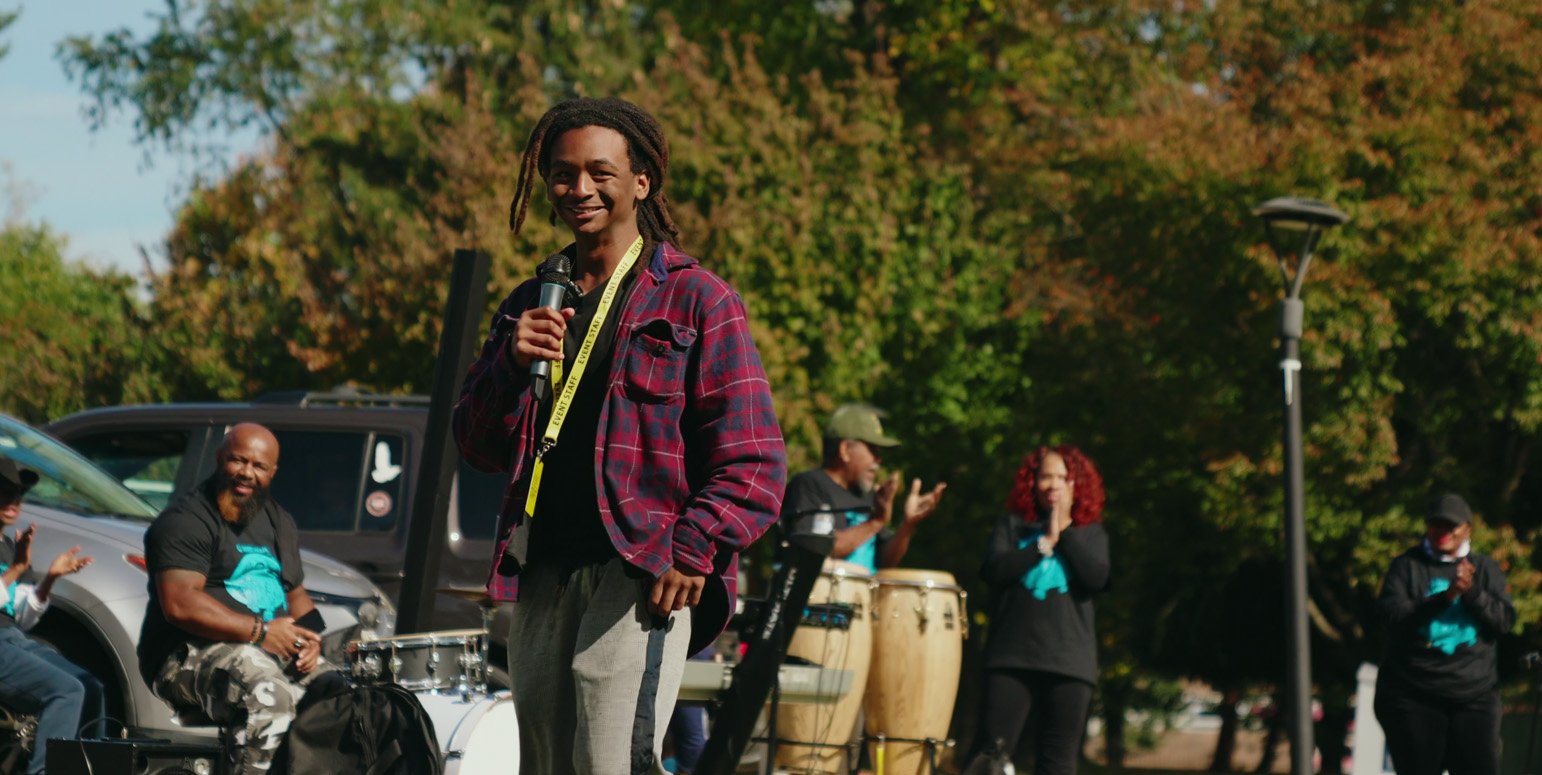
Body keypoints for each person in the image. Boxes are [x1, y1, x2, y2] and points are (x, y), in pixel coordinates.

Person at [453, 96, 786, 774]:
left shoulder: (697, 298)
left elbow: (753, 460)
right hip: (542, 567)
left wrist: (692, 548)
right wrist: (510, 367)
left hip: (638, 571)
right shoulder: (529, 301)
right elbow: (477, 443)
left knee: (610, 763)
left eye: (599, 172)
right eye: (563, 173)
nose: (580, 189)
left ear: (642, 181)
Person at [139, 424, 339, 775]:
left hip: (264, 648)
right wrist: (261, 633)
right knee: (267, 692)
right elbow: (179, 603)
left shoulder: (279, 522)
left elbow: (295, 595)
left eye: (259, 466)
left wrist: (311, 638)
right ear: (219, 459)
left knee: (339, 693)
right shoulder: (186, 520)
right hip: (183, 656)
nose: (247, 473)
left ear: (272, 472)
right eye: (238, 461)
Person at [968, 445, 1110, 775]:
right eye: (1046, 476)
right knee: (990, 755)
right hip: (1011, 658)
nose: (1054, 484)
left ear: (1078, 486)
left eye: (1064, 477)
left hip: (1069, 663)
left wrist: (1064, 534)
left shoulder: (1092, 534)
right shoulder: (1012, 527)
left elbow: (1096, 578)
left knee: (1057, 762)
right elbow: (995, 571)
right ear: (1032, 483)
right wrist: (1043, 542)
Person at [1373, 494, 1514, 775]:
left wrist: (1471, 592)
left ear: (1467, 529)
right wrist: (1446, 597)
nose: (1443, 533)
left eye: (1451, 527)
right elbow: (1393, 619)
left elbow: (1503, 622)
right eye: (1436, 525)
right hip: (1414, 696)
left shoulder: (1485, 569)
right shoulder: (1407, 566)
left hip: (1473, 696)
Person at [0, 456, 103, 775]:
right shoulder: (14, 555)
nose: (14, 499)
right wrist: (16, 569)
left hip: (12, 638)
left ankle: (92, 768)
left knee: (91, 687)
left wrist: (50, 579)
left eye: (18, 492)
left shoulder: (7, 545)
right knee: (66, 690)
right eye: (4, 490)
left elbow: (21, 616)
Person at [779, 403, 947, 573]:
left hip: (862, 597)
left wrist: (908, 524)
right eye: (873, 449)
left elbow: (886, 561)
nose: (878, 460)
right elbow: (815, 550)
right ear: (845, 450)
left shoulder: (866, 496)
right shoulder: (809, 485)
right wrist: (875, 521)